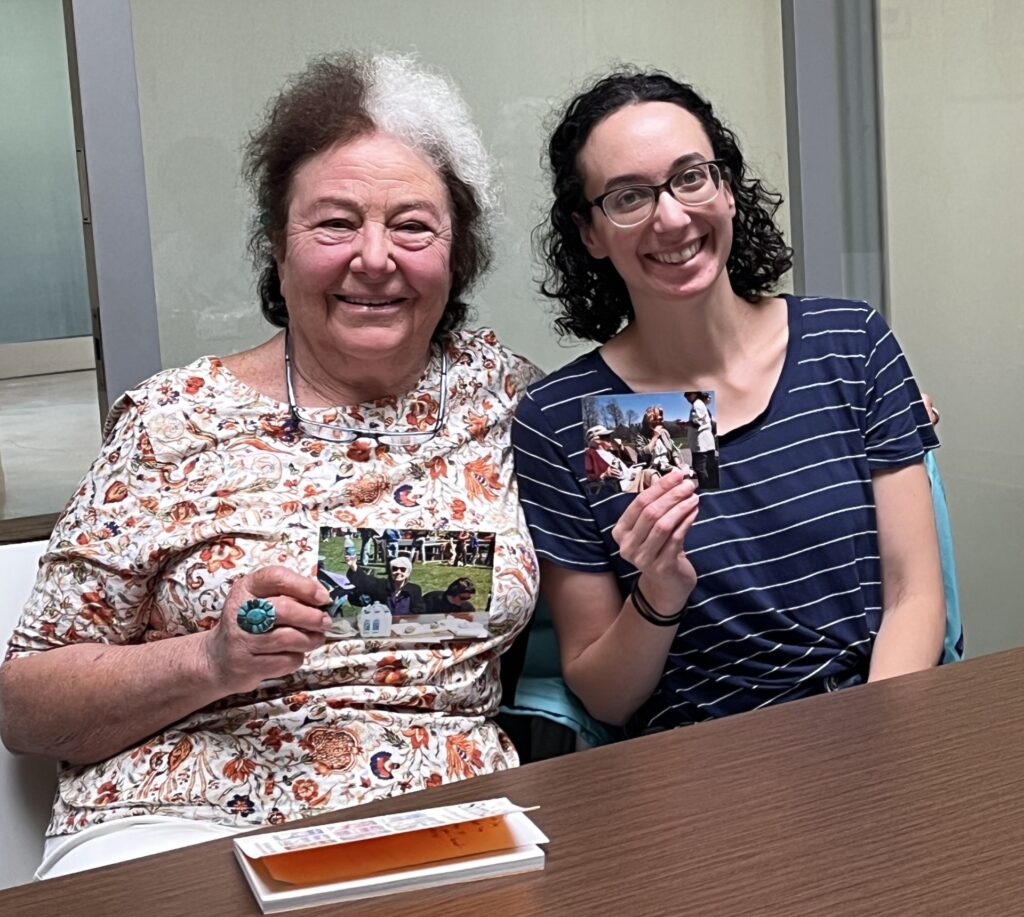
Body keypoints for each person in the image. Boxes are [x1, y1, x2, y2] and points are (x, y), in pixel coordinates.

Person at [0, 52, 541, 878]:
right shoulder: (171, 422)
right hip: (181, 825)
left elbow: (655, 417)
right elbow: (26, 706)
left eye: (412, 225)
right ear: (278, 250)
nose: (374, 257)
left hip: (444, 825)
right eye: (334, 223)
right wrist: (210, 659)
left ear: (455, 252)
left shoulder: (502, 397)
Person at [512, 68, 945, 736]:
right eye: (629, 197)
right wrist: (659, 591)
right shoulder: (570, 417)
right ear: (591, 233)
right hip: (709, 762)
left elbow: (914, 594)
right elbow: (606, 697)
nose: (672, 216)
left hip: (877, 720)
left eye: (692, 177)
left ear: (728, 189)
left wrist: (881, 745)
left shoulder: (848, 343)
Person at [346, 555, 425, 615]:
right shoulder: (382, 585)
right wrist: (354, 566)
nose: (398, 572)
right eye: (395, 569)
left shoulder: (415, 589)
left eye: (403, 569)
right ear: (391, 571)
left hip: (404, 626)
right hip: (383, 623)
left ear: (408, 573)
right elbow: (366, 581)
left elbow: (419, 610)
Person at [683, 391, 719, 488]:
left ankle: (705, 488)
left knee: (699, 468)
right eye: (685, 395)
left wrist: (684, 424)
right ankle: (711, 486)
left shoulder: (697, 404)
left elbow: (696, 424)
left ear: (695, 393)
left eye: (688, 394)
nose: (686, 397)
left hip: (700, 445)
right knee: (709, 468)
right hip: (707, 443)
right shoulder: (702, 405)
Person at [635, 405, 684, 475]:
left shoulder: (664, 432)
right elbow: (642, 457)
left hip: (667, 465)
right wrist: (655, 437)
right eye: (660, 419)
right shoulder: (641, 437)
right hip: (651, 469)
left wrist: (678, 463)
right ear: (651, 421)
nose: (663, 421)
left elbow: (673, 449)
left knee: (683, 476)